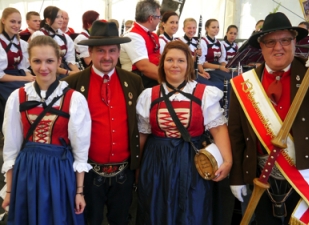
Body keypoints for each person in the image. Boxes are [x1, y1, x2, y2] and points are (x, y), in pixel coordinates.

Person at [228, 12, 309, 225]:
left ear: (294, 41)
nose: (278, 47)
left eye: (285, 40)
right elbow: (236, 134)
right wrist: (236, 177)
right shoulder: (244, 84)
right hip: (261, 176)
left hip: (303, 175)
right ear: (261, 46)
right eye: (270, 42)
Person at [136, 40, 232, 225]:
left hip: (191, 161)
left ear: (188, 64)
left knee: (192, 210)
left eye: (180, 60)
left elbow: (218, 128)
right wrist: (139, 167)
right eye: (170, 60)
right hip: (157, 162)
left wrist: (227, 161)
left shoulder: (205, 93)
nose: (175, 65)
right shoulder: (149, 95)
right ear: (162, 63)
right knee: (156, 210)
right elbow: (143, 134)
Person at [1, 35, 91, 224]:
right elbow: (11, 148)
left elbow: (80, 151)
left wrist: (79, 192)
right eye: (37, 61)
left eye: (50, 61)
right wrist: (9, 191)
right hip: (27, 172)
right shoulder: (17, 97)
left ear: (59, 61)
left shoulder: (74, 99)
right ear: (29, 62)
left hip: (59, 171)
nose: (43, 67)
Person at [63, 20, 144, 225]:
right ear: (90, 52)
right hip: (88, 175)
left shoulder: (134, 81)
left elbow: (141, 125)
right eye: (100, 51)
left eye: (112, 50)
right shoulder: (73, 83)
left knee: (121, 220)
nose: (107, 57)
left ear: (118, 52)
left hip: (123, 173)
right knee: (89, 221)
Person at [0, 7, 34, 133]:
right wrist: (24, 78)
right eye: (13, 21)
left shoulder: (22, 43)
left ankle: (33, 131)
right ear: (3, 21)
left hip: (19, 77)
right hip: (2, 83)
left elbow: (23, 68)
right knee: (21, 98)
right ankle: (16, 133)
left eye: (19, 22)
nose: (16, 25)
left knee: (39, 91)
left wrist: (31, 77)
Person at [120, 0, 161, 88]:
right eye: (158, 17)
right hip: (137, 81)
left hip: (147, 79)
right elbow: (144, 67)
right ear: (151, 18)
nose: (159, 20)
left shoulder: (148, 34)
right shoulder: (133, 36)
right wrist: (170, 79)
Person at [31, 6, 79, 76]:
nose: (61, 20)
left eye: (61, 17)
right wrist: (68, 72)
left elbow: (70, 60)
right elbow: (44, 62)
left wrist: (79, 73)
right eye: (57, 17)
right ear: (47, 20)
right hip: (47, 72)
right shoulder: (39, 35)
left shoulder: (65, 37)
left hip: (64, 70)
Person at [197, 18, 232, 92]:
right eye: (213, 27)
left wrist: (226, 67)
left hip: (217, 69)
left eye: (218, 27)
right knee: (224, 82)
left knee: (234, 76)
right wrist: (220, 67)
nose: (216, 29)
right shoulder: (203, 42)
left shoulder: (220, 43)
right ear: (206, 28)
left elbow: (222, 60)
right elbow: (202, 63)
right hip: (208, 70)